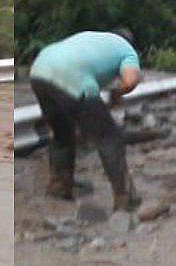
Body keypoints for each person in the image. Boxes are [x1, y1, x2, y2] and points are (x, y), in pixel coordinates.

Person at [29, 30, 142, 212]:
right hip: (73, 77)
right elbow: (130, 81)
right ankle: (125, 199)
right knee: (109, 138)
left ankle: (59, 189)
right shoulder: (127, 50)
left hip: (39, 70)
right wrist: (117, 93)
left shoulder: (93, 37)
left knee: (61, 135)